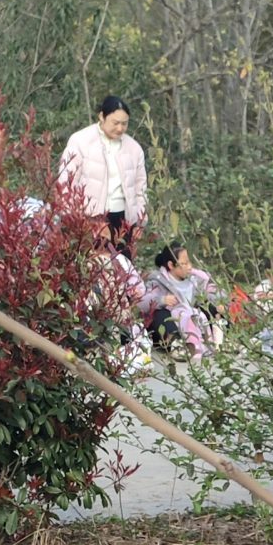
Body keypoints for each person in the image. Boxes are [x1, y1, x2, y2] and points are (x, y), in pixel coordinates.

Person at [60, 94, 149, 258]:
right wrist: (82, 220)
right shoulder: (81, 141)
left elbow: (140, 189)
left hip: (123, 220)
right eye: (115, 123)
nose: (120, 128)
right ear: (102, 116)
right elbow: (65, 183)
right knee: (92, 268)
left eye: (124, 123)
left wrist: (139, 223)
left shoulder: (134, 149)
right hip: (89, 218)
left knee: (122, 271)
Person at [144, 242, 221, 355]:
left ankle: (216, 338)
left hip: (194, 320)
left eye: (189, 262)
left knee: (210, 306)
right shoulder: (158, 281)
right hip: (172, 324)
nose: (189, 266)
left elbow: (213, 290)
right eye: (184, 263)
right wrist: (162, 300)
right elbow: (144, 302)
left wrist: (218, 302)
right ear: (171, 265)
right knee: (160, 313)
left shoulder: (195, 279)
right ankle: (177, 343)